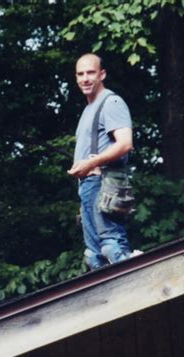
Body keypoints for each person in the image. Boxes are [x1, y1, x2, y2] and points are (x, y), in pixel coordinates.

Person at [67, 53, 133, 270]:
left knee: (111, 248)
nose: (85, 78)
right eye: (80, 74)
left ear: (102, 74)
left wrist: (90, 164)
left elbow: (125, 144)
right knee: (94, 257)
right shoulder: (88, 110)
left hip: (104, 184)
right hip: (88, 188)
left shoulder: (111, 102)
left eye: (90, 72)